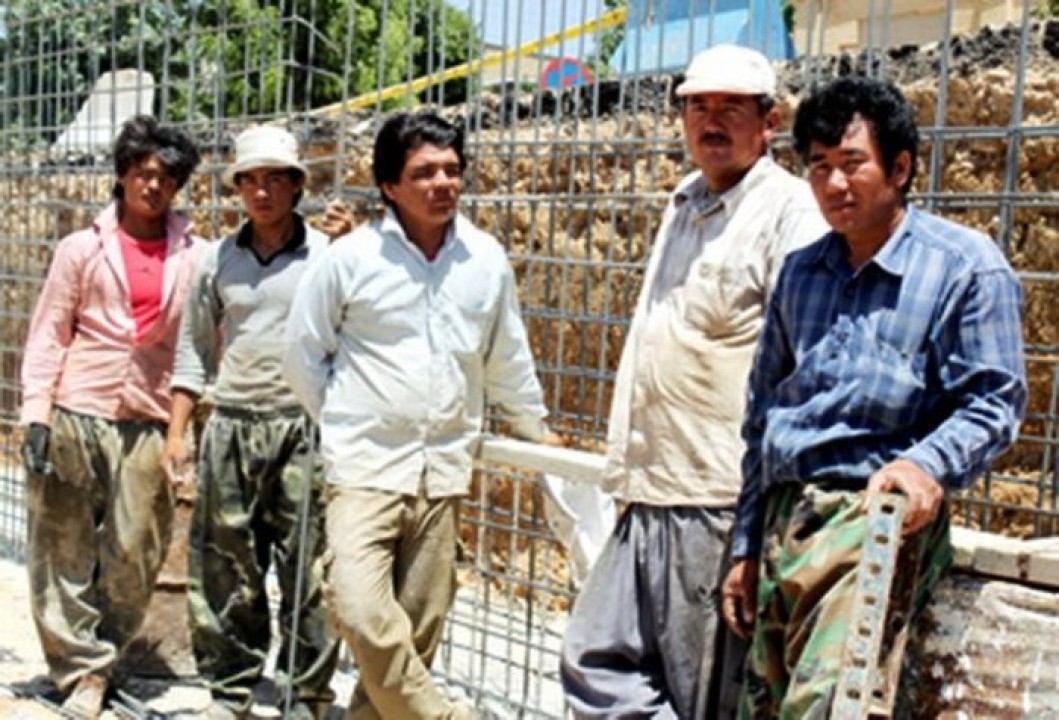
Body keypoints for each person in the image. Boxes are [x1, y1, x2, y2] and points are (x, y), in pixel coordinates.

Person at [721, 75, 1027, 718]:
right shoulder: (801, 272)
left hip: (874, 520)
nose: (835, 184)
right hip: (788, 520)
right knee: (763, 708)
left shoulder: (964, 267)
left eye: (853, 163)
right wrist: (747, 544)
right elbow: (762, 418)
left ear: (901, 167)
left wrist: (924, 466)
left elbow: (994, 402)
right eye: (819, 166)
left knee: (828, 707)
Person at [560, 44, 829, 719]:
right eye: (696, 106)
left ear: (769, 122)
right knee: (596, 662)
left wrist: (753, 528)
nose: (710, 121)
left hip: (716, 498)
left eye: (730, 108)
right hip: (650, 485)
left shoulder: (789, 214)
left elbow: (798, 370)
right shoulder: (683, 202)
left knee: (703, 692)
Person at [283, 110, 558, 720]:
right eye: (425, 172)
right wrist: (349, 420)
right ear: (389, 185)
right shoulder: (350, 258)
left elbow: (506, 357)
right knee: (360, 610)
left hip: (444, 472)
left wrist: (537, 429)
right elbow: (302, 354)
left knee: (417, 630)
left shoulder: (484, 259)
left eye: (452, 170)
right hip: (365, 470)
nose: (443, 184)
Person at [19, 115, 202, 719]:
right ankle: (83, 671)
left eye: (167, 178)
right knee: (62, 547)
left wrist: (182, 427)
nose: (154, 186)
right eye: (143, 173)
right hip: (78, 408)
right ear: (122, 175)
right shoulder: (82, 248)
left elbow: (197, 346)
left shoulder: (194, 256)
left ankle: (107, 652)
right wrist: (37, 414)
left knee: (136, 549)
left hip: (147, 416)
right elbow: (50, 332)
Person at [163, 125, 341, 720]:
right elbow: (193, 350)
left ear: (297, 185)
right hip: (233, 424)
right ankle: (230, 691)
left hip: (303, 428)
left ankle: (304, 698)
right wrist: (178, 433)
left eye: (275, 179)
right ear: (237, 188)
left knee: (308, 571)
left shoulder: (330, 254)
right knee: (225, 570)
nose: (262, 192)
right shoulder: (218, 259)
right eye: (250, 180)